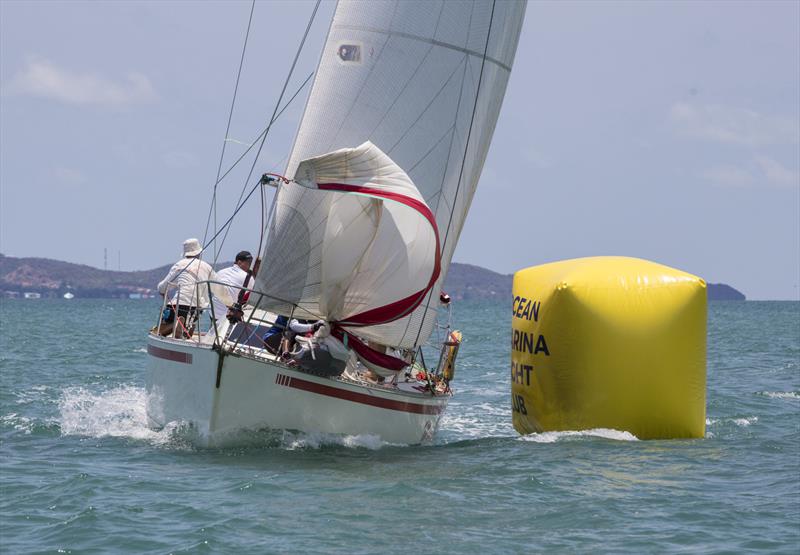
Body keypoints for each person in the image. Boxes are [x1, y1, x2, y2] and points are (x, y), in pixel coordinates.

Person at [157, 238, 216, 337]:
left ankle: (174, 325)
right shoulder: (206, 267)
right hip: (195, 308)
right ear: (199, 253)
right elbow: (217, 286)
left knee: (160, 331)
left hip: (176, 305)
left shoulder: (179, 265)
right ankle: (187, 327)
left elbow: (163, 287)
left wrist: (162, 291)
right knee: (189, 323)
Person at [211, 250, 253, 321]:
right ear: (239, 262)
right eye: (248, 263)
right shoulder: (247, 277)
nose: (249, 266)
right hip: (230, 315)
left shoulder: (221, 272)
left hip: (213, 313)